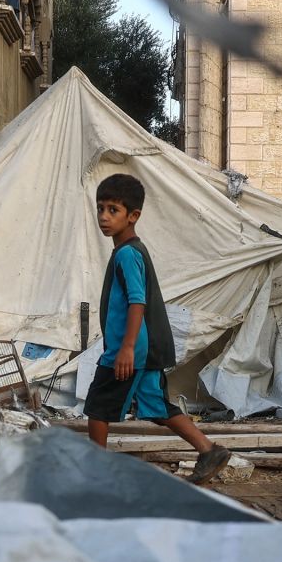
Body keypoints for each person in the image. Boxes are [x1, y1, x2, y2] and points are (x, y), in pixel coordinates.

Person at [84, 174, 232, 484]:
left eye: (113, 210)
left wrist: (125, 349)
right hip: (143, 349)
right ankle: (208, 450)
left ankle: (94, 472)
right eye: (100, 209)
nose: (104, 217)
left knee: (98, 406)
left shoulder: (127, 254)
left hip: (131, 350)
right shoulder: (131, 251)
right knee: (154, 405)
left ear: (133, 216)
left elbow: (137, 302)